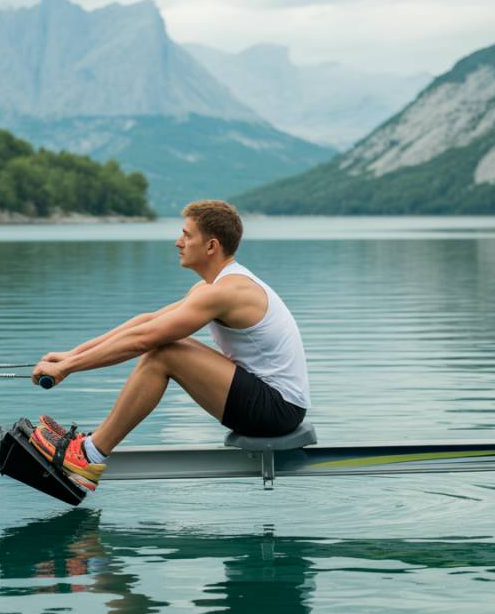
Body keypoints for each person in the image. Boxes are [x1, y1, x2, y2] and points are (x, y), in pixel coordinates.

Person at [30, 199, 311, 493]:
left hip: (278, 410)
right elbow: (147, 321)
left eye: (187, 236)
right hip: (272, 403)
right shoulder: (211, 287)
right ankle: (89, 448)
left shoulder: (227, 291)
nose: (179, 243)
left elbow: (144, 340)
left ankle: (88, 455)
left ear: (211, 246)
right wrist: (71, 355)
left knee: (166, 352)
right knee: (165, 345)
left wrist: (68, 369)